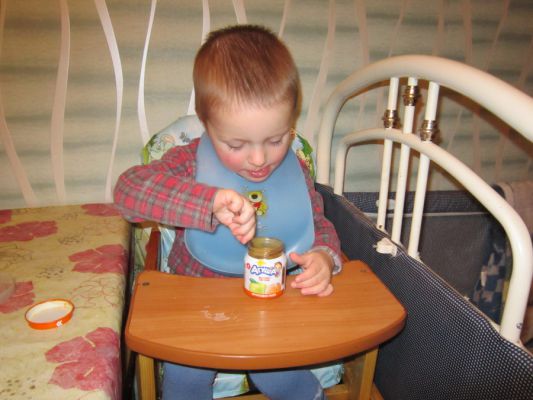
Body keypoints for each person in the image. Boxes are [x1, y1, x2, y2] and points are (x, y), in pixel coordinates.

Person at [114, 24, 342, 400]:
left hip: (272, 299)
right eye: (237, 144)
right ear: (207, 125)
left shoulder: (294, 169)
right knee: (185, 373)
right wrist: (206, 201)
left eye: (276, 139)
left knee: (282, 373)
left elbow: (316, 223)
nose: (259, 159)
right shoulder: (189, 161)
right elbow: (127, 192)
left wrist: (324, 257)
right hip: (197, 299)